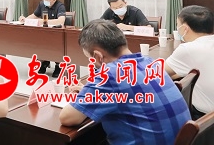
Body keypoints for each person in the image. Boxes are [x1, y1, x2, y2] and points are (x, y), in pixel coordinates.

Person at [59, 19, 190, 145]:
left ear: (98, 56)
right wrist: (90, 93)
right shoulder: (150, 62)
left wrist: (89, 94)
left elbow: (67, 118)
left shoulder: (110, 75)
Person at [165, 5, 214, 119]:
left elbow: (158, 73)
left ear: (184, 29)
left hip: (206, 119)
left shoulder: (188, 49)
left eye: (177, 25)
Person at [19, 0, 66, 76]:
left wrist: (44, 21)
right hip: (44, 33)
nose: (44, 1)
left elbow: (61, 21)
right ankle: (44, 61)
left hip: (56, 34)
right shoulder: (41, 4)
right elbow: (34, 15)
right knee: (38, 41)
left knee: (54, 44)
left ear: (54, 0)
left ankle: (58, 65)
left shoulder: (60, 6)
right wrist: (25, 19)